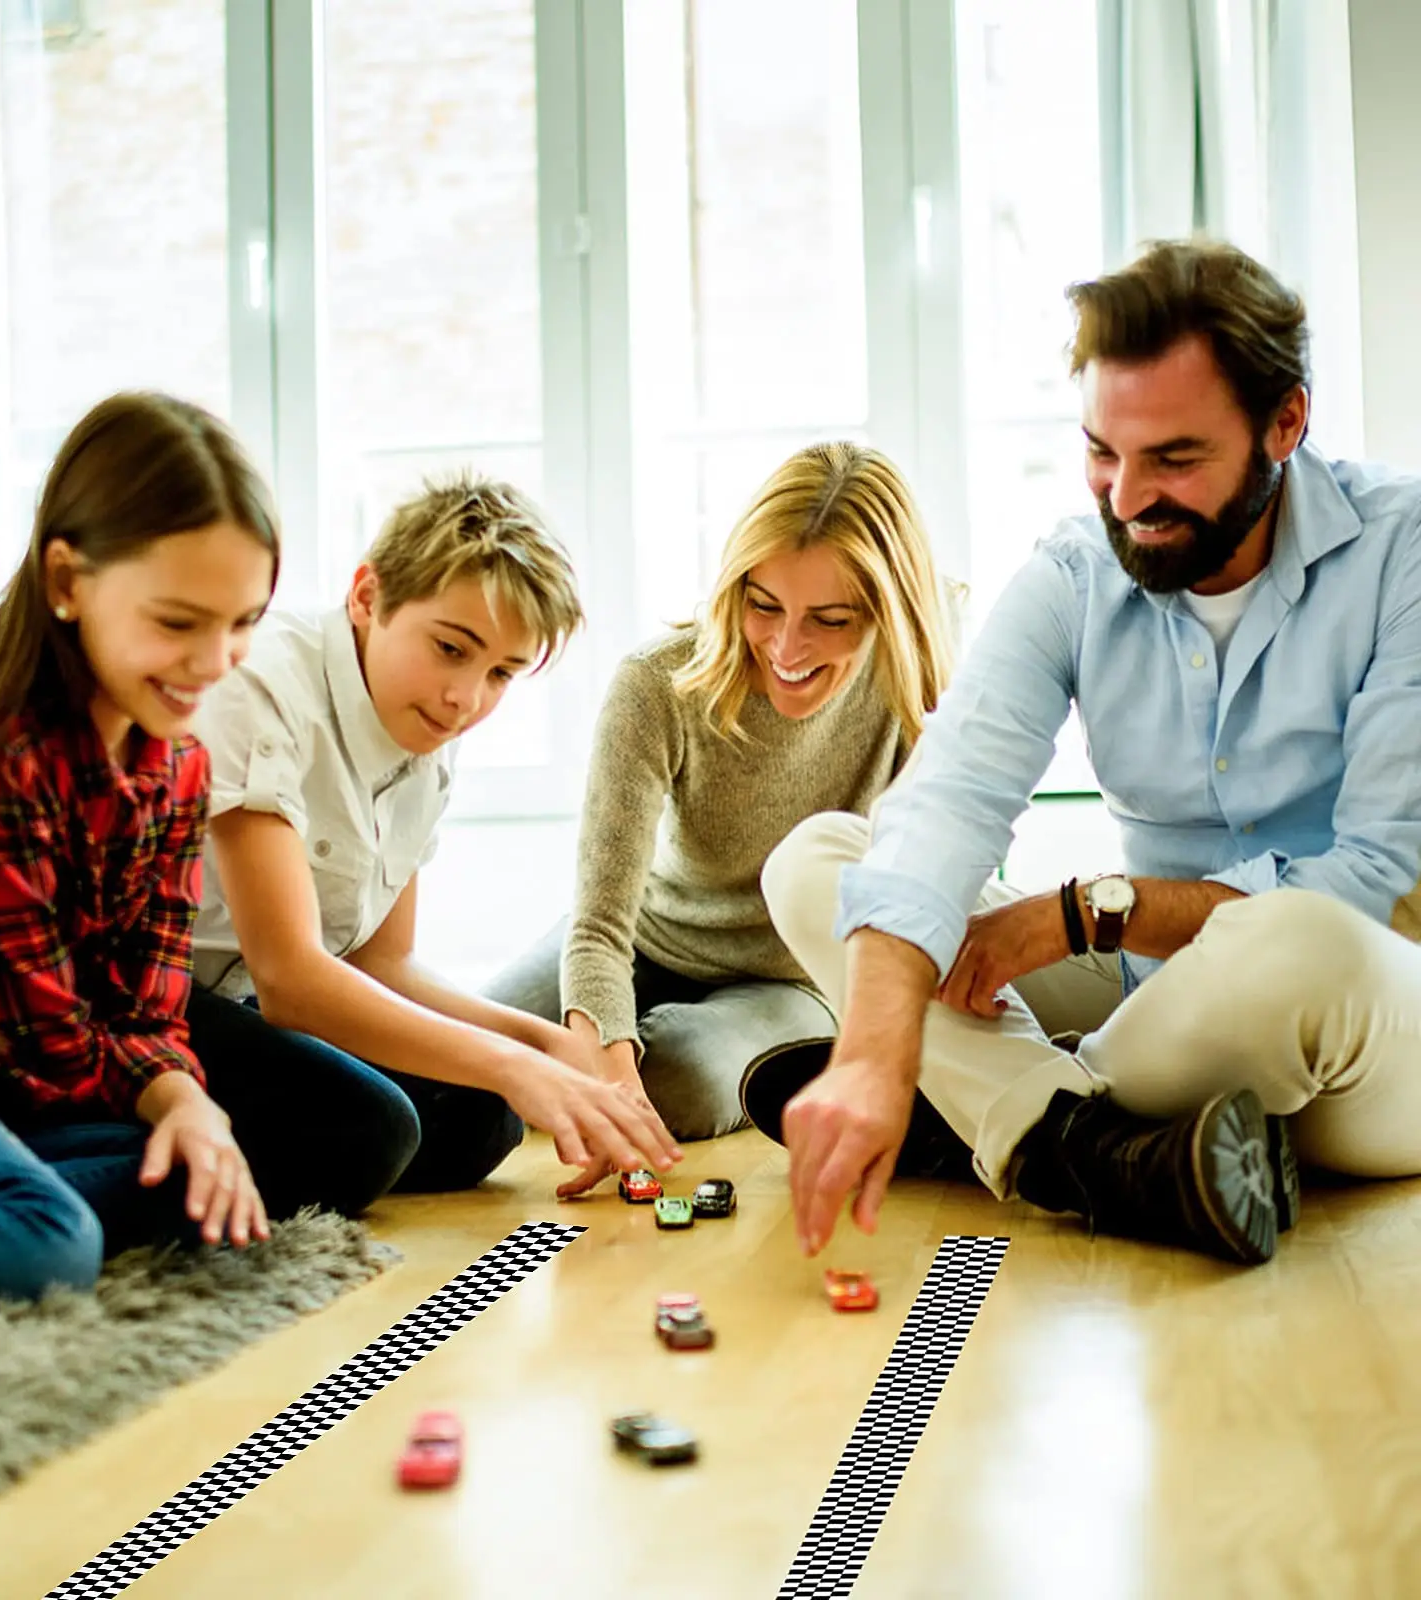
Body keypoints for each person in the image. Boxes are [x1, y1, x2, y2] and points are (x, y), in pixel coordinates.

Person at [759, 238, 1421, 1268]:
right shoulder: (1074, 569)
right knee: (820, 861)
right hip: (1146, 999)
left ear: (1284, 422)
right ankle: (1082, 1141)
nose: (1123, 499)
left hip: (1353, 1027)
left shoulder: (1400, 550)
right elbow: (945, 802)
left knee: (1297, 939)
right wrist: (876, 1050)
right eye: (1102, 451)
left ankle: (998, 1107)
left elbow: (1373, 881)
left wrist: (1084, 912)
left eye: (1174, 459)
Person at [0, 393, 429, 1335]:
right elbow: (51, 1049)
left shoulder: (176, 758)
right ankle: (1, 1198)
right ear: (67, 581)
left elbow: (145, 1004)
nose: (215, 662)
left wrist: (183, 1103)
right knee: (50, 1231)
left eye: (241, 623)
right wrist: (181, 1108)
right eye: (179, 622)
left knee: (322, 1135)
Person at [484, 442, 957, 1198]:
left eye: (830, 620)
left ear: (887, 614)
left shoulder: (921, 691)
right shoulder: (655, 686)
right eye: (762, 604)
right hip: (647, 938)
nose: (786, 647)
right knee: (469, 1049)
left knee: (672, 1079)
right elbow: (600, 926)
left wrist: (617, 1074)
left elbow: (932, 892)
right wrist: (604, 1056)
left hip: (787, 980)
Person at [190, 473, 680, 1194]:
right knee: (377, 1128)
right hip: (156, 996)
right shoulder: (263, 685)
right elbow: (291, 979)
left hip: (248, 1005)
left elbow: (382, 963)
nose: (467, 700)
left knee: (483, 1116)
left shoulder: (427, 729)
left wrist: (547, 1044)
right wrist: (518, 1063)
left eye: (502, 673)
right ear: (367, 596)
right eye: (452, 649)